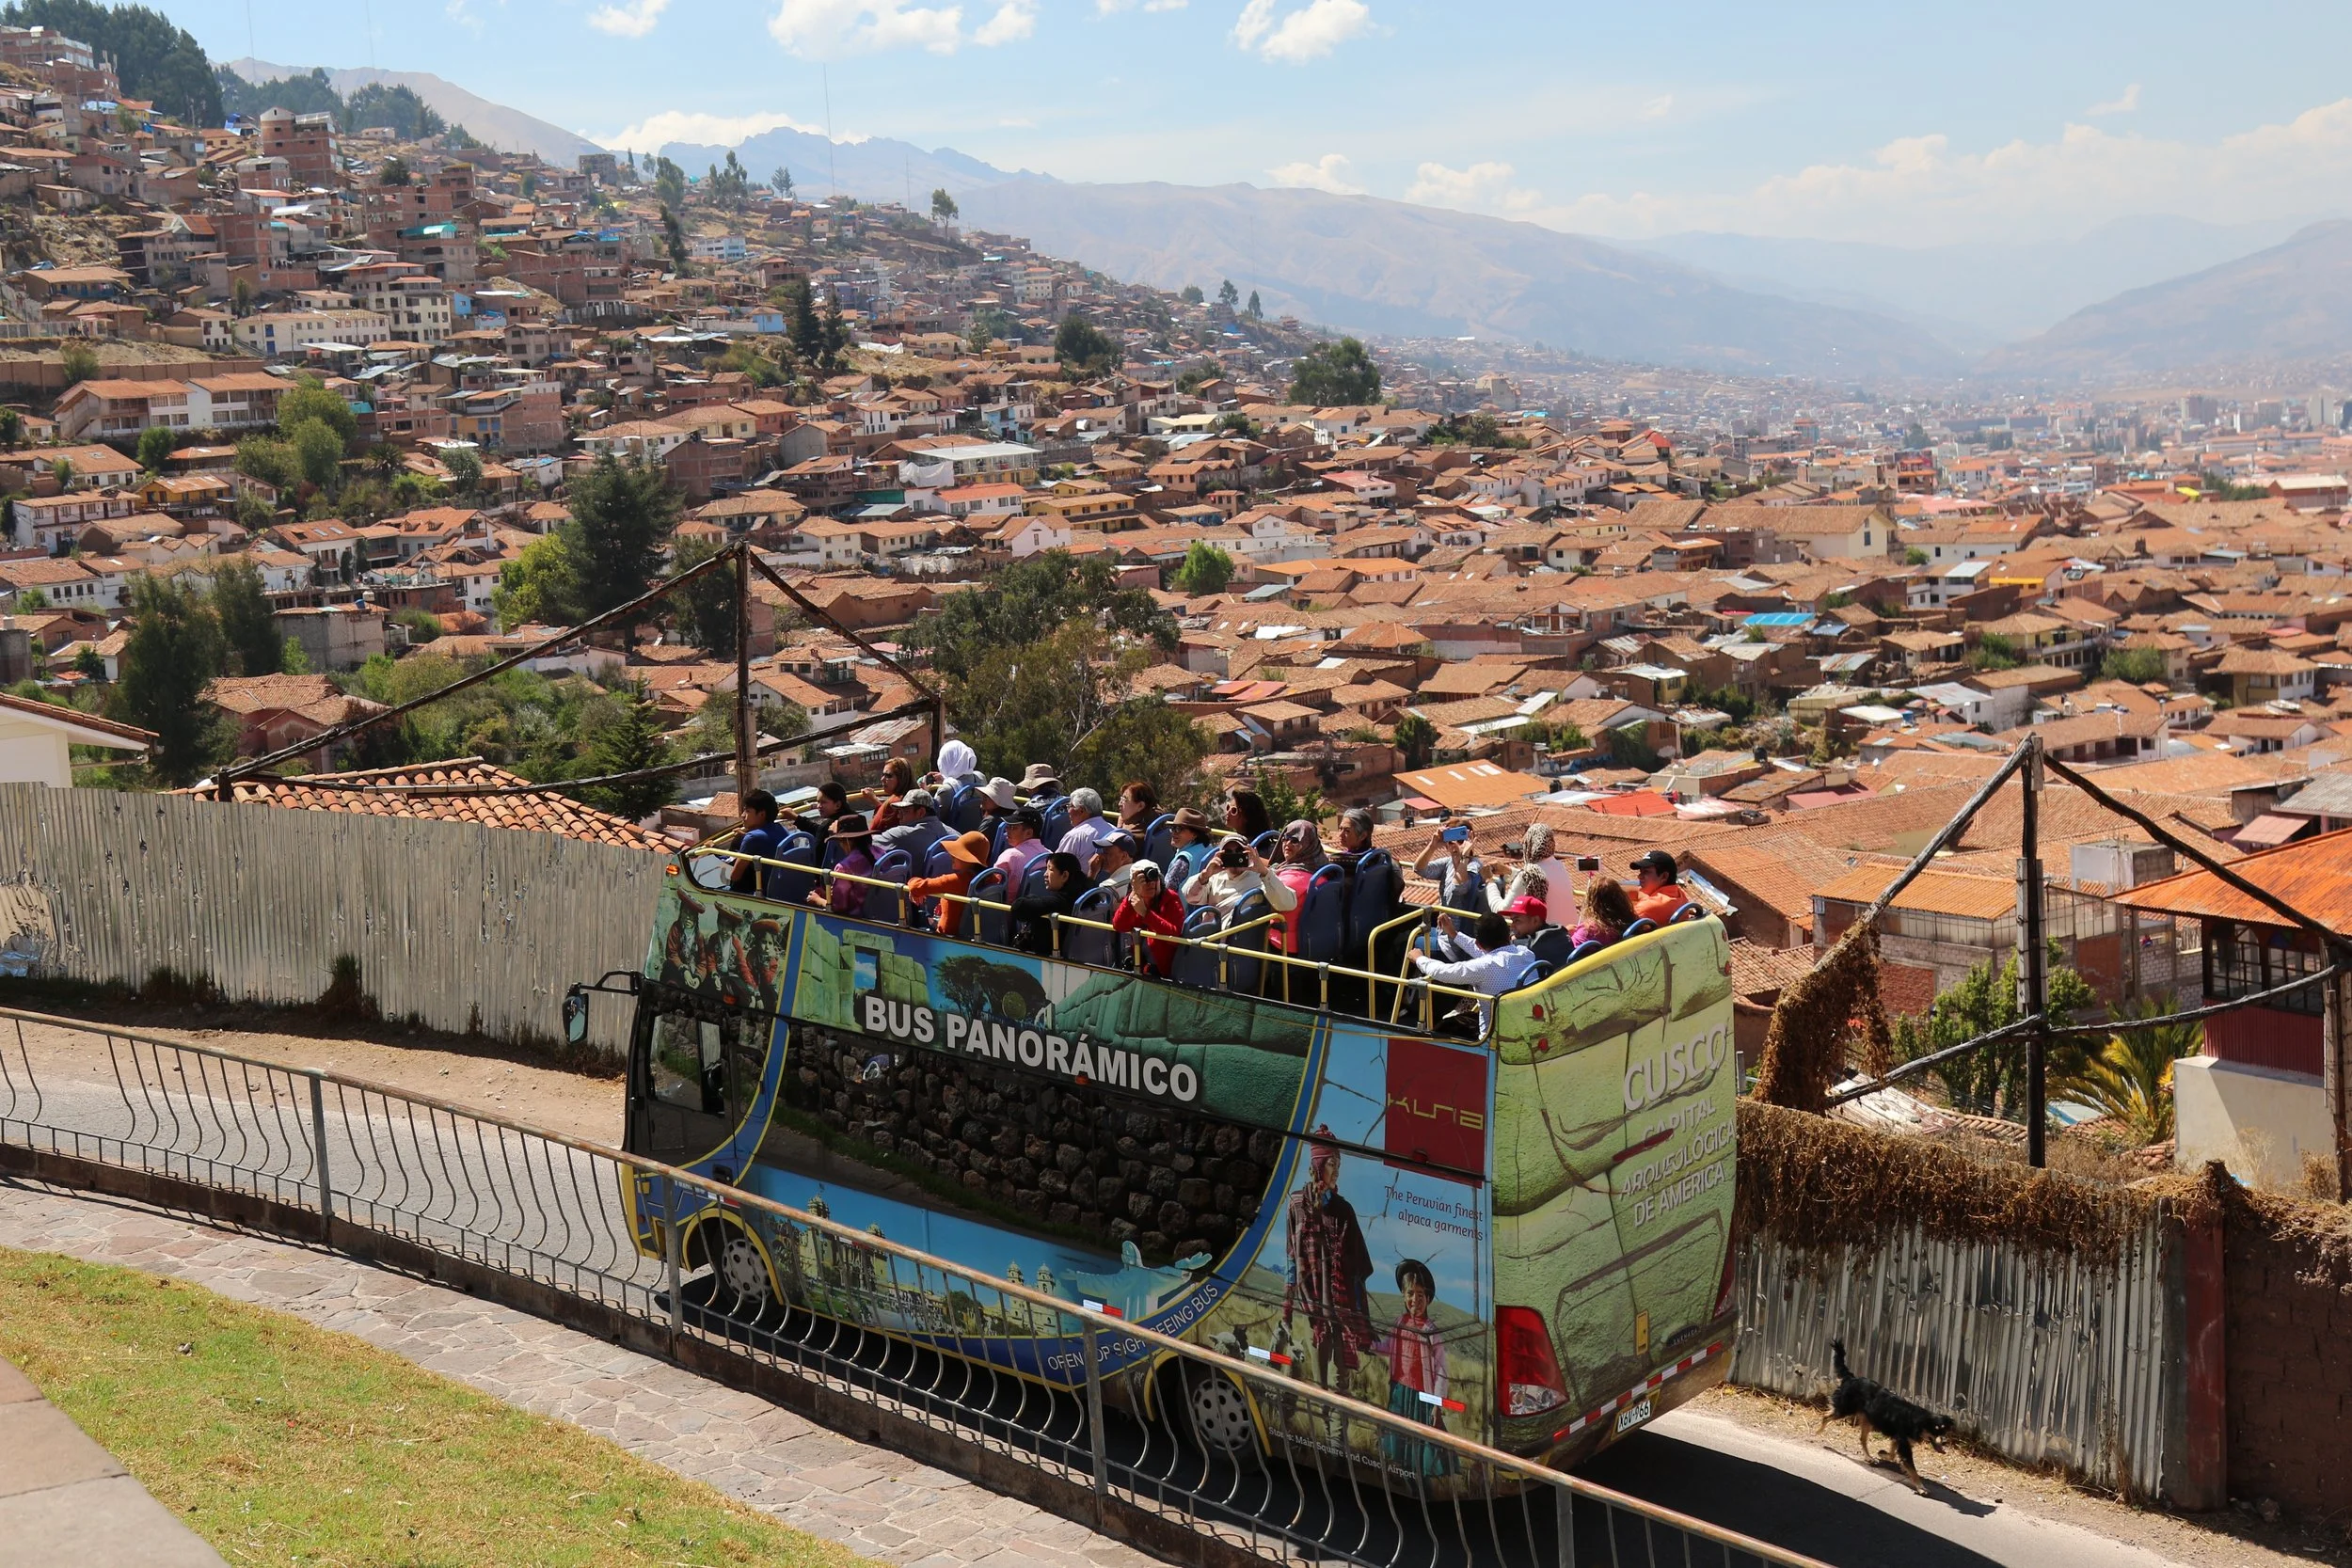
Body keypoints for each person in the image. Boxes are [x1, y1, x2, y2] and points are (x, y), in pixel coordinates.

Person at [1282, 1134, 1375, 1392]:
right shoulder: (1297, 1204)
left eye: (1339, 1165)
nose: (1336, 1172)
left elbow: (1359, 1266)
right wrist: (1287, 1309)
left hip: (1341, 1313)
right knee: (1317, 1384)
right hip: (1311, 1310)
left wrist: (1358, 1316)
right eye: (1332, 1164)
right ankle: (1320, 1430)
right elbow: (1292, 1257)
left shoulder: (1344, 1210)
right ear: (1318, 1165)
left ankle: (1335, 1433)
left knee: (1339, 1385)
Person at [1373, 1259, 1457, 1479]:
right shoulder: (1399, 1323)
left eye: (1421, 1295)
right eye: (1410, 1293)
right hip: (1399, 1392)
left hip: (1421, 1399)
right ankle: (1401, 1477)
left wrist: (1436, 1404)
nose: (1415, 1300)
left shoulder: (1431, 1332)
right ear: (1403, 1295)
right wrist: (1368, 1345)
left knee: (1420, 1445)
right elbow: (1387, 1347)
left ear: (1428, 1299)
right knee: (1399, 1441)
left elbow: (1441, 1372)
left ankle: (1420, 1481)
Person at [1409, 911, 1536, 1034]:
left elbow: (1443, 972)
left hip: (1495, 1038)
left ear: (1479, 943)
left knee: (1444, 1027)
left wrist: (1419, 959)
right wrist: (1454, 934)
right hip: (1526, 1027)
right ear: (1508, 935)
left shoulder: (1485, 967)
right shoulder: (1526, 953)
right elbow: (1490, 954)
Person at [1182, 833, 1300, 923]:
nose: (1234, 856)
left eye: (1239, 851)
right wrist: (1205, 875)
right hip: (1210, 941)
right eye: (1228, 852)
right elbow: (1189, 897)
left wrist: (1264, 872)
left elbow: (1288, 904)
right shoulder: (1214, 877)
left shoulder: (1262, 878)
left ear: (1248, 853)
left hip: (1238, 943)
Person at [1008, 850, 1094, 956]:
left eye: (1050, 869)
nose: (1045, 874)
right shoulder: (1088, 896)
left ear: (1064, 876)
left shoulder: (1060, 902)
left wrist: (1032, 898)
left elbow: (1018, 907)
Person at [906, 830, 991, 936]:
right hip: (975, 936)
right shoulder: (992, 878)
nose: (952, 856)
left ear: (970, 860)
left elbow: (916, 887)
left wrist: (912, 881)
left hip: (946, 938)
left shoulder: (955, 881)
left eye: (958, 853)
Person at [1110, 861, 1185, 975]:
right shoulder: (1135, 899)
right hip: (1139, 962)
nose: (1151, 884)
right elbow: (1118, 925)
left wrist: (1146, 914)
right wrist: (1132, 897)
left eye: (1154, 878)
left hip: (1161, 968)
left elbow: (1175, 936)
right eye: (1144, 880)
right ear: (1134, 884)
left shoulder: (1171, 899)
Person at [1491, 823, 1571, 928]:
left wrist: (1489, 882)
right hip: (1566, 934)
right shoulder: (1560, 867)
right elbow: (1537, 876)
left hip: (1544, 937)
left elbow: (1501, 910)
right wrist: (1509, 871)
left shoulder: (1528, 875)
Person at [1271, 820, 1327, 954]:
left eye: (1295, 840)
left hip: (1283, 943)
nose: (1287, 843)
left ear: (1307, 843)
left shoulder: (1294, 878)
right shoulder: (1322, 869)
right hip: (1311, 941)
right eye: (1285, 838)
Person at [1413, 822, 1488, 917]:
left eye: (1460, 841)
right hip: (1444, 927)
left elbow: (1459, 888)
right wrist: (1432, 845)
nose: (1455, 845)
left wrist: (1465, 856)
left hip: (1463, 930)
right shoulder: (1448, 863)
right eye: (1451, 841)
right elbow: (1419, 869)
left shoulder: (1475, 866)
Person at [729, 789, 787, 896]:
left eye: (748, 811)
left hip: (765, 893)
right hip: (784, 889)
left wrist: (713, 848)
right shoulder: (780, 829)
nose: (742, 815)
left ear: (761, 814)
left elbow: (735, 876)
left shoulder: (752, 838)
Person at [814, 814, 874, 915]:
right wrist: (826, 894)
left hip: (857, 916)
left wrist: (818, 900)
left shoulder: (844, 867)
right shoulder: (880, 852)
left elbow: (839, 907)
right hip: (877, 911)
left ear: (846, 840)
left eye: (840, 840)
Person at [875, 786, 949, 864]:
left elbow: (869, 844)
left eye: (904, 812)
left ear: (921, 812)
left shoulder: (901, 834)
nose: (898, 816)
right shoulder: (951, 833)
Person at [1570, 879, 1636, 950]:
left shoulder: (1587, 931)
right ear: (1622, 898)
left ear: (1591, 902)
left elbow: (1568, 954)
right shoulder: (1634, 923)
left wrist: (1565, 934)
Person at [1057, 786, 1119, 862]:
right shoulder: (1115, 831)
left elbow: (1057, 868)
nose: (1068, 811)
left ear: (1081, 811)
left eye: (1070, 806)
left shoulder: (1075, 837)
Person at [993, 806, 1050, 886]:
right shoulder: (1050, 856)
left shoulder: (1010, 856)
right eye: (1008, 826)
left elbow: (992, 888)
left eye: (1013, 827)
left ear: (1028, 833)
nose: (1007, 829)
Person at [1165, 807, 1216, 892]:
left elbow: (1167, 892)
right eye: (1172, 828)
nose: (1174, 833)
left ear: (1195, 834)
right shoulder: (1209, 849)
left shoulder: (1182, 861)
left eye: (1178, 829)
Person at [1629, 849, 1686, 924]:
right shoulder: (1680, 895)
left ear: (1664, 876)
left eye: (1646, 872)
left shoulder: (1646, 908)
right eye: (1641, 872)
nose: (1639, 876)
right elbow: (1638, 893)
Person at [1091, 830, 1142, 895]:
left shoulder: (1108, 887)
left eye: (1107, 853)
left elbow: (1087, 904)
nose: (1102, 857)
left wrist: (1092, 875)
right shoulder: (1145, 873)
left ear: (1123, 856)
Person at [1328, 807, 1376, 871]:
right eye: (1340, 829)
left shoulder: (1343, 861)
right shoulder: (1375, 856)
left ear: (1363, 836)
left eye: (1347, 831)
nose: (1340, 834)